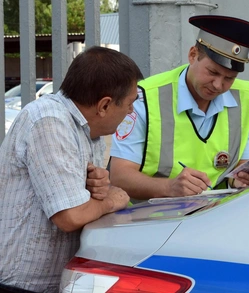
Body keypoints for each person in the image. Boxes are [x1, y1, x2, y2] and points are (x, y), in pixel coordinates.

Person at [0, 46, 143, 293]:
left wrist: (96, 190)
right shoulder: (49, 121)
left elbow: (82, 204)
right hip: (22, 285)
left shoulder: (89, 131)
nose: (131, 111)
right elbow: (70, 217)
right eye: (130, 104)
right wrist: (111, 200)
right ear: (104, 105)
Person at [109, 15, 249, 203]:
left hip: (213, 217)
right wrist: (169, 187)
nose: (218, 85)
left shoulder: (242, 96)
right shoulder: (146, 97)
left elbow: (241, 163)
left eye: (229, 78)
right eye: (213, 72)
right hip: (151, 221)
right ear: (193, 55)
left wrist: (240, 179)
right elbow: (119, 176)